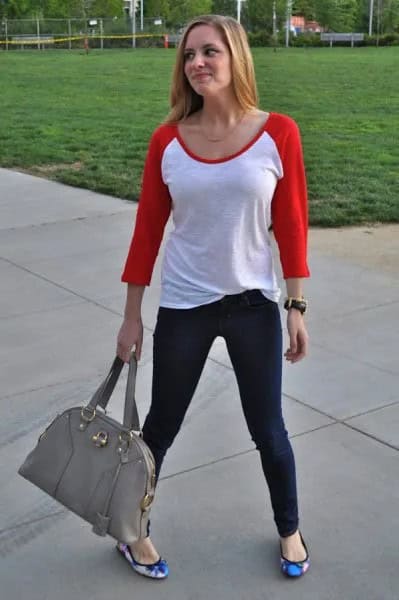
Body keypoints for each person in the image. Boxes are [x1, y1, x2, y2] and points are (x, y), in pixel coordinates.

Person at [116, 14, 310, 580]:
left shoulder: (279, 133)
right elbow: (146, 234)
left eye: (210, 52)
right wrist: (131, 318)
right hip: (185, 306)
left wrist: (295, 307)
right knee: (159, 429)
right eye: (188, 55)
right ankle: (131, 531)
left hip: (253, 305)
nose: (196, 63)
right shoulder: (168, 141)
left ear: (236, 58)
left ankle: (290, 530)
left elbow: (292, 226)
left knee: (269, 430)